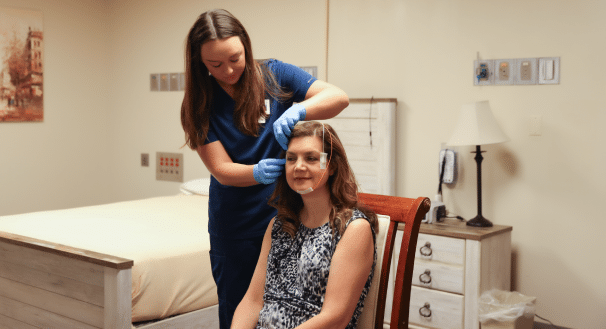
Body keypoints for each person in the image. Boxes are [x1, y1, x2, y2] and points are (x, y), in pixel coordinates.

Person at [180, 9, 349, 329]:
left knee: (290, 311)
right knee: (239, 312)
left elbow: (338, 97)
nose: (228, 70)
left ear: (246, 46)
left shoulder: (274, 76)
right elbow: (220, 169)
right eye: (215, 65)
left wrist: (300, 109)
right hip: (237, 227)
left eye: (235, 58)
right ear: (199, 63)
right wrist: (255, 172)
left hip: (289, 219)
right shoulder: (200, 102)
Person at [231, 121, 378, 329]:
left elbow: (335, 318)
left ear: (332, 165)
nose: (298, 166)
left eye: (311, 158)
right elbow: (252, 302)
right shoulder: (279, 225)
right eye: (291, 159)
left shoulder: (352, 229)